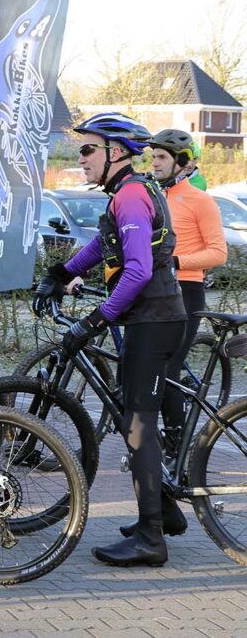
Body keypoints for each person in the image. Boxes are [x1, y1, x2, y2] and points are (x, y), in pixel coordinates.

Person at [34, 113, 186, 567]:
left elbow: (138, 269)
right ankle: (163, 511)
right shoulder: (126, 193)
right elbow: (104, 246)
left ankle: (150, 539)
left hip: (153, 320)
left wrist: (95, 320)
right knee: (128, 417)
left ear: (114, 153)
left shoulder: (134, 195)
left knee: (139, 427)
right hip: (149, 318)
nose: (79, 158)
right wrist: (60, 274)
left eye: (87, 150)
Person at [148, 129, 226, 468]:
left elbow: (218, 253)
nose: (155, 163)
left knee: (168, 370)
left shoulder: (199, 199)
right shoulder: (152, 196)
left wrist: (178, 261)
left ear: (181, 162)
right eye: (152, 157)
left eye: (162, 157)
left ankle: (176, 444)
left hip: (186, 291)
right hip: (154, 290)